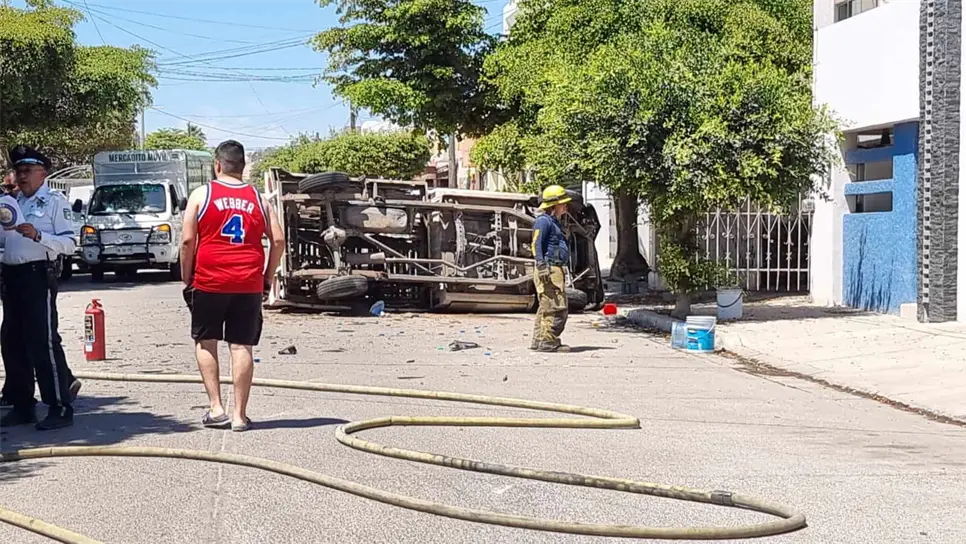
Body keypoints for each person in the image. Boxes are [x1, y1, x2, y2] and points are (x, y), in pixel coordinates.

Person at [180, 140, 284, 432]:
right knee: (242, 346)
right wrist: (267, 276)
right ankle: (240, 415)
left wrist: (186, 276)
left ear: (217, 165)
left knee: (206, 341)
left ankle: (216, 409)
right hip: (248, 282)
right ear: (243, 167)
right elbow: (278, 241)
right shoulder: (259, 199)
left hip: (209, 280)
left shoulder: (202, 194)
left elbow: (187, 241)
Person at [0, 146, 81, 430]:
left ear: (42, 174)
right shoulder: (12, 203)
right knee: (12, 342)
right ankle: (23, 405)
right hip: (11, 276)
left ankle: (59, 406)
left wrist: (39, 235)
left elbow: (70, 243)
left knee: (43, 342)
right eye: (18, 171)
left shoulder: (55, 202)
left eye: (27, 171)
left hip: (37, 276)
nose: (21, 176)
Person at [530, 185, 572, 353]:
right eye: (563, 203)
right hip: (550, 268)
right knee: (556, 306)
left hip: (554, 268)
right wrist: (541, 265)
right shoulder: (543, 221)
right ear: (554, 205)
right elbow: (536, 243)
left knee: (546, 306)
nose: (565, 206)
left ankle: (540, 340)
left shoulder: (552, 222)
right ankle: (549, 341)